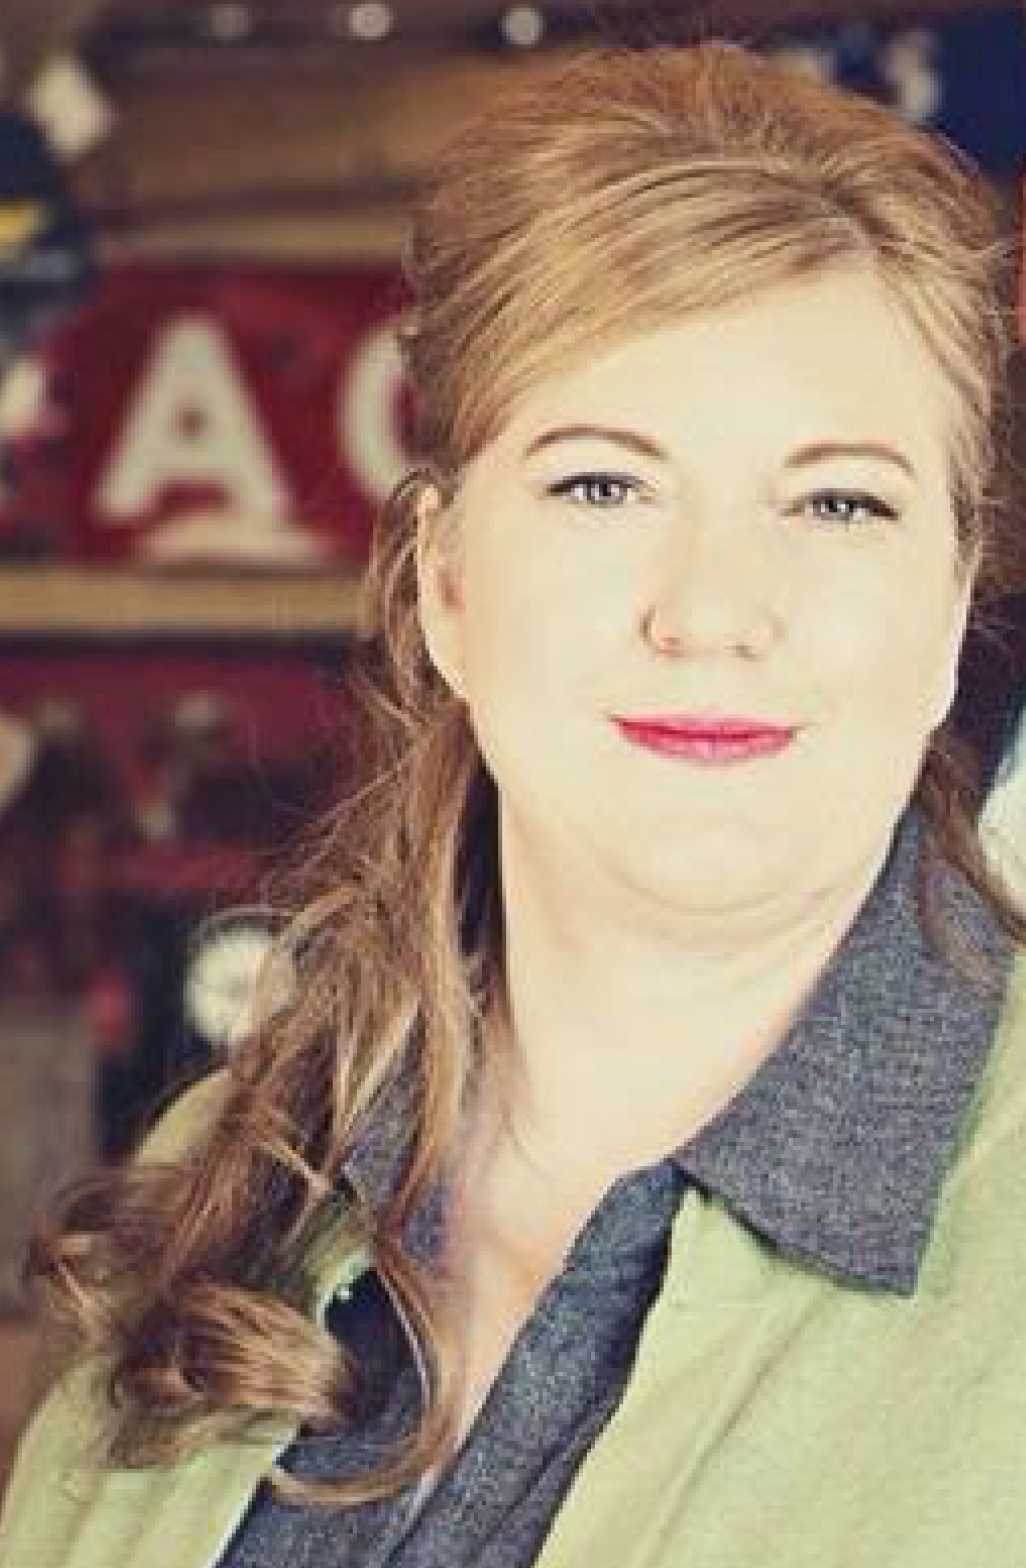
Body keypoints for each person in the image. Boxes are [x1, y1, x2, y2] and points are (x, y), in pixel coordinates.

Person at [2, 39, 1026, 1568]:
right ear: (447, 585)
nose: (709, 610)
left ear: (947, 609)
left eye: (836, 501)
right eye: (602, 485)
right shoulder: (227, 1175)